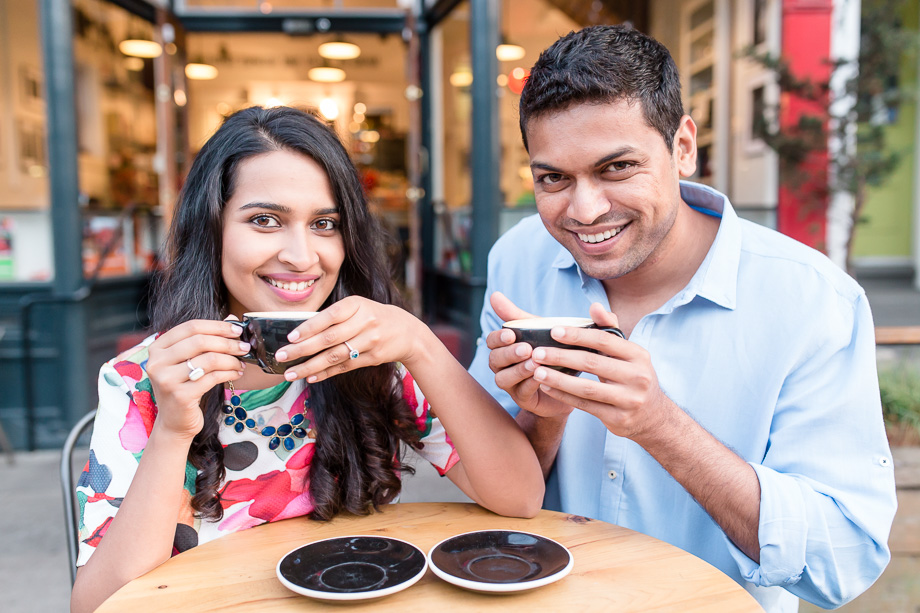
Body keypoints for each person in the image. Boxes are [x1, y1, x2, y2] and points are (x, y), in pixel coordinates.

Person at [469, 25, 897, 612]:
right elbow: (480, 489)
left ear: (683, 148)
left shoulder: (813, 301)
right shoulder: (518, 258)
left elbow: (842, 561)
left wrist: (659, 425)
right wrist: (541, 420)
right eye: (553, 178)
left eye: (617, 168)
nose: (585, 210)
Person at [71, 106, 544, 612]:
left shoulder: (372, 357)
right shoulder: (142, 378)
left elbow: (520, 497)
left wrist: (421, 345)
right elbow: (98, 605)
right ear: (211, 229)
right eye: (265, 221)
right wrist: (172, 429)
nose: (301, 256)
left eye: (324, 223)